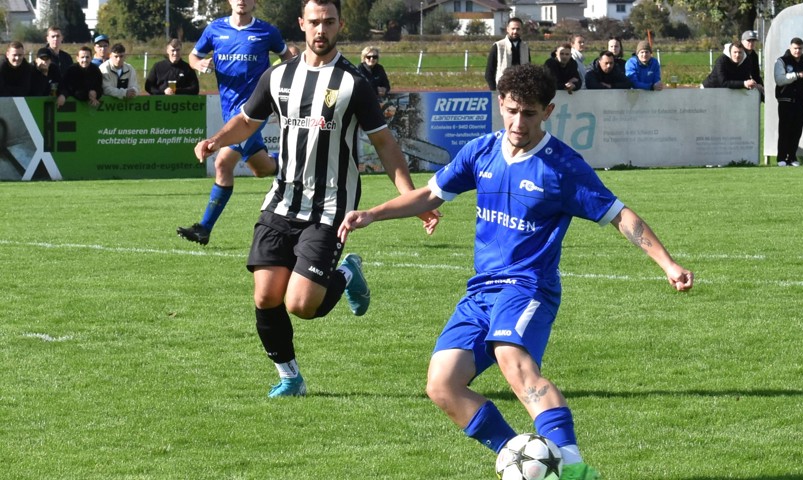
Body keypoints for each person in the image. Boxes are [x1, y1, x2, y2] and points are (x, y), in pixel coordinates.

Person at [337, 63, 693, 480]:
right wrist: (372, 215)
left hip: (529, 286)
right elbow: (430, 194)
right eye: (509, 111)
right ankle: (525, 458)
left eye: (528, 113)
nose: (517, 122)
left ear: (548, 111)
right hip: (481, 291)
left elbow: (619, 215)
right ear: (499, 105)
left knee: (511, 356)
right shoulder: (481, 151)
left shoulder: (562, 167)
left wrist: (667, 263)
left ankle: (576, 469)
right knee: (442, 385)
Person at [192, 0, 439, 398]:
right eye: (314, 22)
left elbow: (385, 145)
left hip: (329, 207)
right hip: (282, 201)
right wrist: (216, 141)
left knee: (302, 305)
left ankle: (346, 273)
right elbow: (247, 120)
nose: (320, 30)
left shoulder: (353, 83)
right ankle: (290, 377)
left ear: (339, 25)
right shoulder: (277, 77)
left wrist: (413, 199)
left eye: (328, 22)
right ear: (301, 24)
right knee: (265, 294)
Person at [177, 0, 294, 245]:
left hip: (255, 110)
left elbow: (288, 59)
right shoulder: (215, 29)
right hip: (229, 111)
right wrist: (199, 64)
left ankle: (204, 228)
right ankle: (290, 162)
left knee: (222, 164)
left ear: (255, 2)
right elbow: (193, 55)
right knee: (260, 168)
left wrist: (280, 89)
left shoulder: (267, 31)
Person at [774, 37, 803, 167]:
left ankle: (792, 157)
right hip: (786, 100)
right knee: (785, 130)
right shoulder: (782, 61)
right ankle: (781, 157)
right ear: (790, 48)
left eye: (800, 48)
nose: (797, 51)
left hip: (801, 101)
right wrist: (798, 75)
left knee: (797, 131)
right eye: (795, 48)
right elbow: (780, 80)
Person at [484, 17, 530, 91]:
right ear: (507, 29)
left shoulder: (525, 47)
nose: (515, 31)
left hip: (522, 90)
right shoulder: (498, 46)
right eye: (513, 28)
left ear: (522, 30)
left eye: (518, 29)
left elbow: (529, 70)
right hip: (503, 90)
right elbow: (489, 73)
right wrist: (494, 91)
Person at [739, 30, 765, 100]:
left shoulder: (754, 55)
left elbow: (756, 73)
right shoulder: (739, 54)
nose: (751, 43)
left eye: (753, 41)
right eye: (748, 41)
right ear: (742, 41)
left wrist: (760, 85)